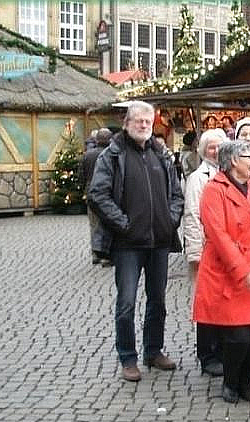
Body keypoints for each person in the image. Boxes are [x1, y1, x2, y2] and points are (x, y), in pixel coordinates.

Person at [87, 100, 184, 382]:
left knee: (158, 301)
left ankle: (153, 350)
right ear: (127, 123)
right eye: (138, 120)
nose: (143, 125)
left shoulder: (161, 154)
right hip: (128, 244)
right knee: (126, 303)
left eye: (148, 121)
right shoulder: (112, 155)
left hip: (159, 242)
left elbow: (176, 194)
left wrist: (170, 220)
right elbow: (98, 195)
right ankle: (128, 358)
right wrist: (124, 225)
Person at [193, 139, 250, 403]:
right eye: (248, 157)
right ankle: (231, 382)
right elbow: (218, 237)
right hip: (228, 274)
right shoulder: (213, 190)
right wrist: (245, 272)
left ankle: (246, 381)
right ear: (233, 161)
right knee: (238, 337)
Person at [182, 128, 228, 377]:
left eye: (220, 146)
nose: (216, 150)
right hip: (206, 250)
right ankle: (207, 355)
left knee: (223, 303)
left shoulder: (230, 173)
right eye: (211, 147)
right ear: (203, 150)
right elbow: (192, 216)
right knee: (207, 304)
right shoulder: (198, 178)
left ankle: (222, 350)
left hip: (226, 252)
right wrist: (195, 254)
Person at [81, 128, 113, 266]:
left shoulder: (88, 155)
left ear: (96, 140)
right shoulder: (112, 154)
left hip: (91, 193)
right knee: (108, 223)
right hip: (108, 193)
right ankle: (106, 255)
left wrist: (85, 189)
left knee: (94, 223)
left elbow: (82, 175)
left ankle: (95, 253)